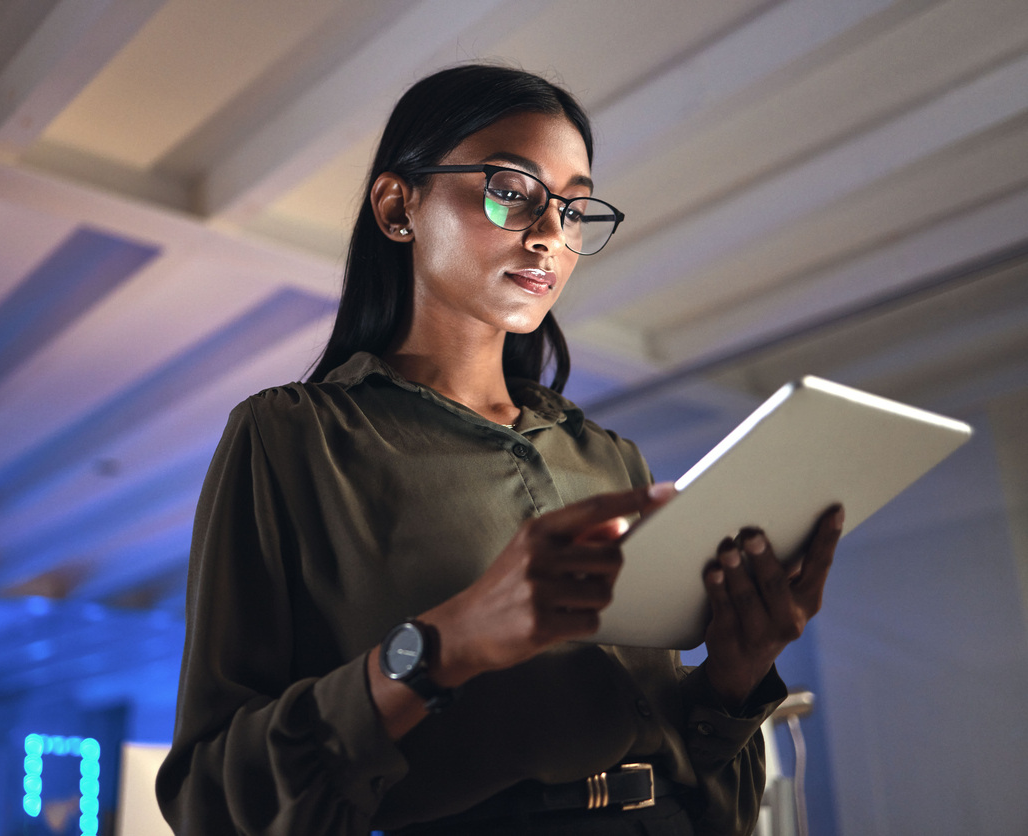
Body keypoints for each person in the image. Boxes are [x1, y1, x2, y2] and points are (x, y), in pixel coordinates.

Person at [155, 64, 842, 836]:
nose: (550, 232)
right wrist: (443, 645)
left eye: (573, 206)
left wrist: (732, 675)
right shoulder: (293, 438)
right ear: (396, 206)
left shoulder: (611, 459)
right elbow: (209, 799)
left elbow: (701, 778)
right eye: (511, 189)